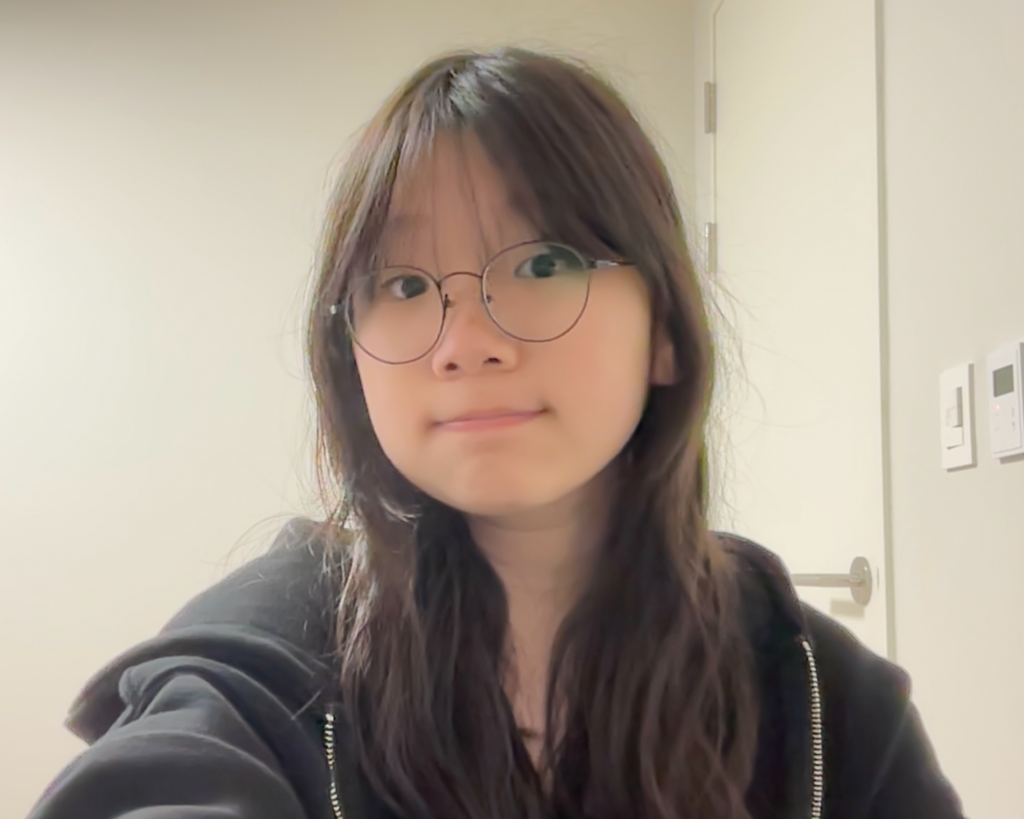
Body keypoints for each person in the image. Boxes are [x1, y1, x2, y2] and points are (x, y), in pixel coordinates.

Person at [28, 48, 963, 819]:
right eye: (403, 285)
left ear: (665, 333)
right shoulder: (277, 648)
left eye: (543, 263)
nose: (464, 342)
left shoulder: (825, 699)